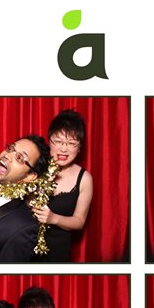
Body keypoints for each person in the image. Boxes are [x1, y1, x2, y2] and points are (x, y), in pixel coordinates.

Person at [31, 110, 93, 261]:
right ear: (49, 141)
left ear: (79, 147)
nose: (63, 149)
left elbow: (79, 221)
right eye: (58, 141)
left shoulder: (84, 179)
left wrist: (54, 218)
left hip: (58, 253)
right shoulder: (35, 166)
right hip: (23, 246)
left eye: (71, 143)